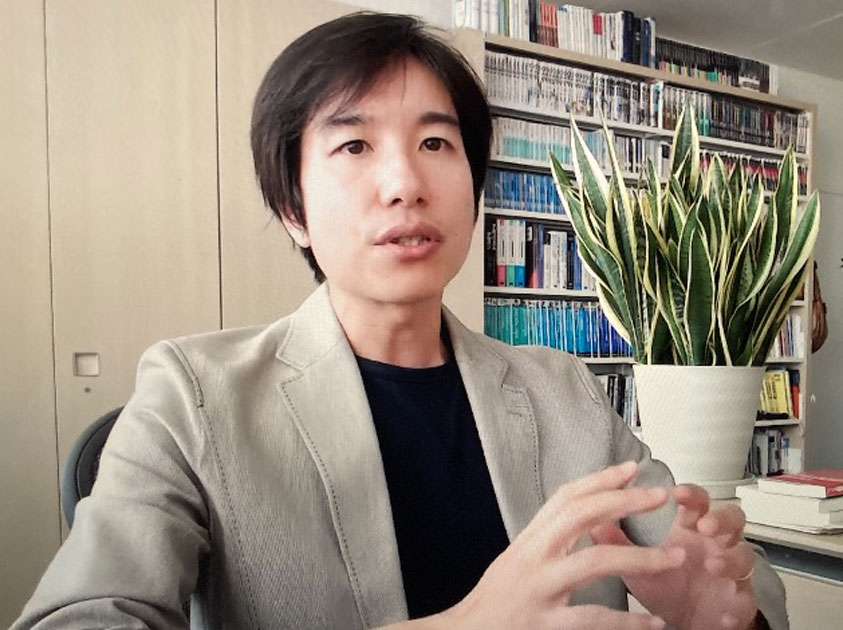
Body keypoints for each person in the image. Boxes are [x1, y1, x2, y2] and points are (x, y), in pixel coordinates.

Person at [13, 12, 786, 630]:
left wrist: (726, 613)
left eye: (435, 142)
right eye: (354, 144)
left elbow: (738, 587)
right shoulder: (192, 397)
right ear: (292, 207)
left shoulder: (564, 391)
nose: (404, 182)